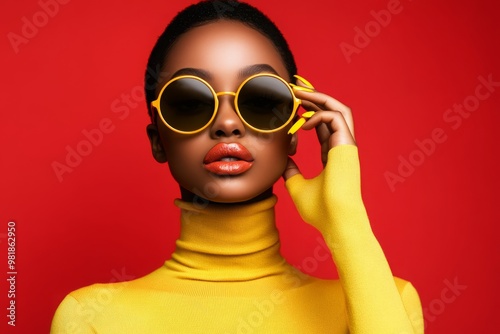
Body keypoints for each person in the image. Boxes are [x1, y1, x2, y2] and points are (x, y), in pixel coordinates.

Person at [51, 1, 424, 333]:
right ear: (157, 140)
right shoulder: (91, 318)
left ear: (294, 130)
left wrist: (348, 221)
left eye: (261, 99)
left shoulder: (388, 303)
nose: (228, 123)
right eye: (191, 101)